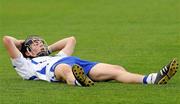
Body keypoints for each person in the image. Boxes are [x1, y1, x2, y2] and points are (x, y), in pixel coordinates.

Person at [2, 35, 178, 87]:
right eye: (35, 45)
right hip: (57, 69)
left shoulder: (55, 55)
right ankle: (76, 81)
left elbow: (70, 40)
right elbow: (7, 40)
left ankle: (151, 78)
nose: (40, 45)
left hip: (75, 63)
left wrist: (47, 50)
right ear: (27, 51)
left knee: (117, 69)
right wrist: (22, 44)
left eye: (41, 43)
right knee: (64, 68)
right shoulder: (24, 64)